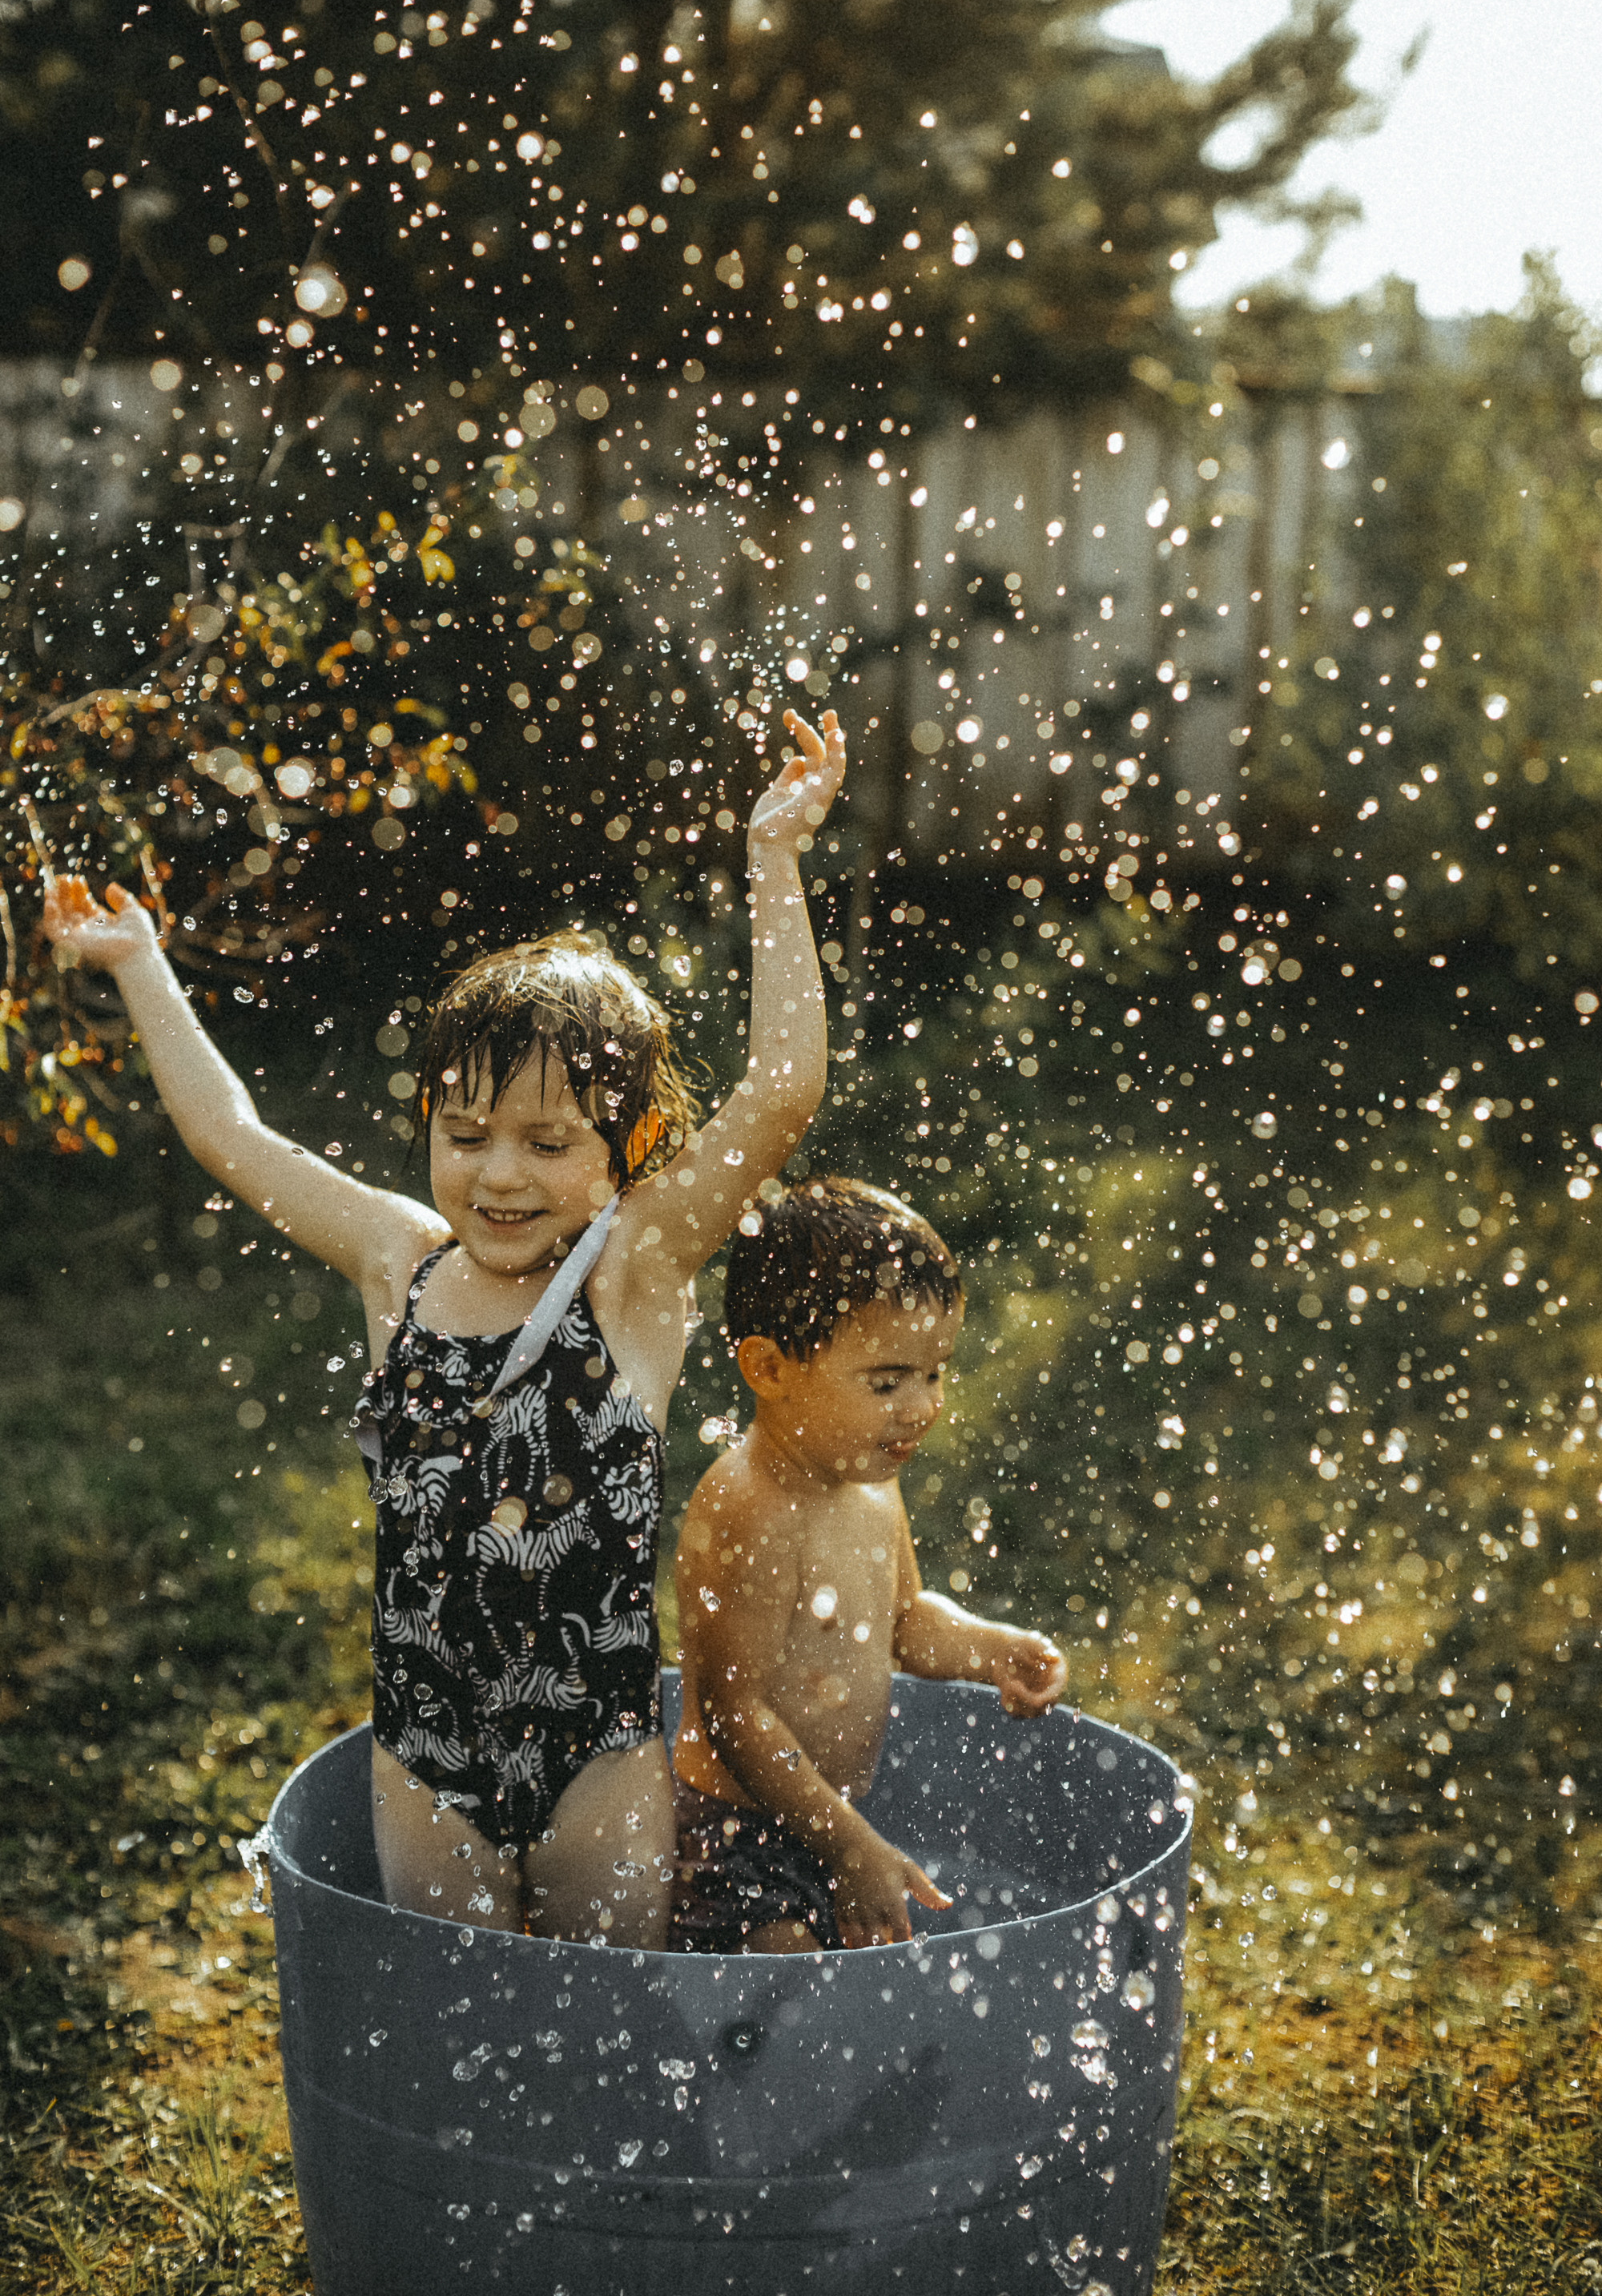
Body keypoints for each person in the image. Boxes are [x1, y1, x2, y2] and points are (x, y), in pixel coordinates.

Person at [43, 706, 846, 1950]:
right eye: (464, 1136)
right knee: (454, 2020)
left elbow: (782, 1091)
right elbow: (234, 1139)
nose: (498, 1176)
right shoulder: (400, 1264)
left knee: (600, 2028)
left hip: (598, 1753)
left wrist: (775, 862)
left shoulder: (631, 1278)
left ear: (627, 1149)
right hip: (425, 1745)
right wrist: (141, 962)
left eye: (547, 1141)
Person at [670, 1176, 1067, 1953]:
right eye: (886, 1381)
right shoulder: (748, 1505)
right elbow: (732, 1713)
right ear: (769, 1369)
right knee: (778, 1974)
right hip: (733, 1831)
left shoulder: (870, 1485)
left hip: (832, 1817)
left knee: (853, 1993)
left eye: (934, 1372)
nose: (921, 1407)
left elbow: (904, 1623)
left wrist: (991, 1649)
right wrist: (847, 1845)